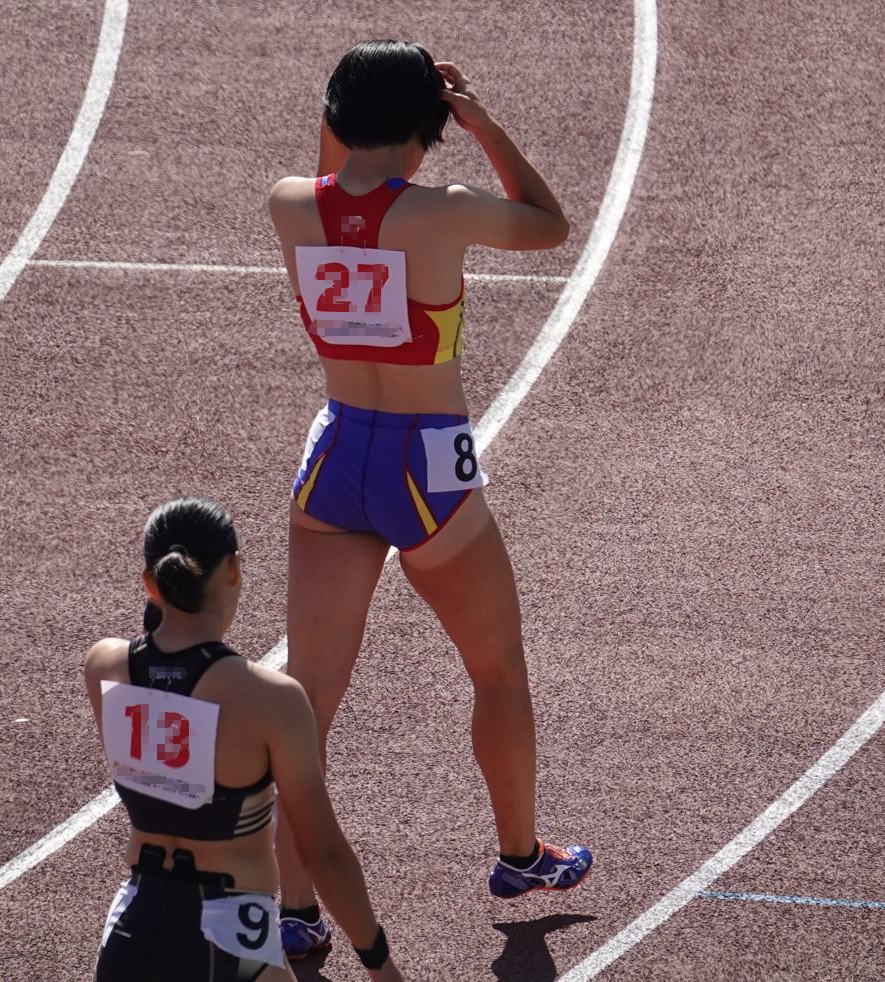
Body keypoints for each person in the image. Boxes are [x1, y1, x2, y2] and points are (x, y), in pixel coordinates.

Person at [267, 40, 593, 959]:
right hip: (427, 464)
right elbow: (550, 223)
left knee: (307, 702)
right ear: (430, 129)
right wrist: (483, 121)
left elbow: (338, 174)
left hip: (333, 461)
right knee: (497, 668)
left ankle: (294, 911)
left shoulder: (291, 206)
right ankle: (521, 853)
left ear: (334, 116)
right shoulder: (443, 214)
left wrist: (360, 121)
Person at [85, 497, 403, 980]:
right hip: (229, 938)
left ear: (151, 583)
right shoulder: (269, 699)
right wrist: (379, 964)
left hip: (130, 931)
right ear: (233, 570)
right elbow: (323, 851)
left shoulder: (105, 667)